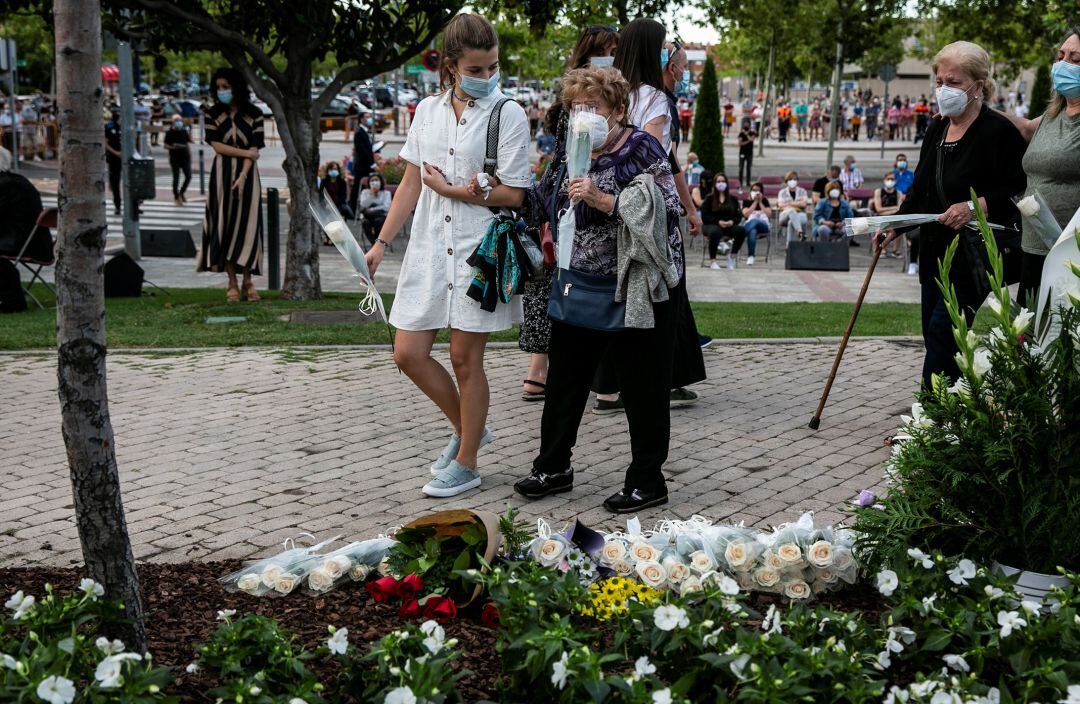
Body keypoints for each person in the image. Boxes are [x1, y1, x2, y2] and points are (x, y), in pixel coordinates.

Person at [363, 13, 531, 498]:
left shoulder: (508, 113)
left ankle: (469, 460)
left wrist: (455, 191)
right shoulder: (427, 111)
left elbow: (515, 194)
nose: (486, 78)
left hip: (480, 250)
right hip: (431, 248)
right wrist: (380, 244)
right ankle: (470, 427)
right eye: (476, 70)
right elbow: (411, 182)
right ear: (452, 66)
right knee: (408, 353)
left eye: (492, 67)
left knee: (463, 358)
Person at [512, 65, 682, 513]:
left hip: (633, 285)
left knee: (643, 388)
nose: (584, 116)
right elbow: (546, 198)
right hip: (580, 282)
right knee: (566, 380)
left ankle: (647, 480)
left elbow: (667, 210)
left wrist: (604, 200)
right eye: (576, 108)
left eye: (594, 108)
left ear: (619, 110)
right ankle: (553, 467)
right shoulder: (572, 151)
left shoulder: (642, 148)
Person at [875, 41, 1027, 388]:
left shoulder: (997, 132)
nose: (944, 89)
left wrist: (975, 206)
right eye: (940, 81)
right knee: (935, 332)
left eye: (954, 82)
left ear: (978, 86)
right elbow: (920, 191)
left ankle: (930, 418)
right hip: (933, 250)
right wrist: (894, 226)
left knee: (945, 330)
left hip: (973, 254)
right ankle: (959, 407)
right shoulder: (936, 128)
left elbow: (1019, 188)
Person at [521, 23, 619, 403]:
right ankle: (542, 366)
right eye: (606, 49)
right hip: (568, 192)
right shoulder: (575, 96)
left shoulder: (610, 91)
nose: (611, 56)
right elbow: (569, 147)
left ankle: (589, 374)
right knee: (556, 277)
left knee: (585, 278)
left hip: (581, 190)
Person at [1009, 26, 1080, 306]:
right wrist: (976, 109)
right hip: (1035, 246)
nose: (1063, 64)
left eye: (1076, 59)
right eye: (1061, 55)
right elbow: (1025, 128)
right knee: (1028, 339)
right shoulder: (1054, 113)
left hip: (1071, 255)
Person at [197, 67, 266, 303]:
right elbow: (217, 146)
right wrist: (245, 152)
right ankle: (232, 282)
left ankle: (248, 281)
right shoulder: (212, 113)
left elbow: (255, 150)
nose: (222, 91)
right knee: (224, 224)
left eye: (226, 86)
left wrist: (243, 175)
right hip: (221, 175)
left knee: (248, 226)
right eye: (218, 87)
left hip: (247, 176)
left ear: (236, 87)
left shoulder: (254, 113)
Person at [700, 170, 745, 269]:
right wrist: (718, 221)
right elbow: (705, 216)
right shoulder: (709, 199)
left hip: (728, 225)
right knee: (715, 232)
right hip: (711, 225)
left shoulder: (733, 199)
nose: (721, 184)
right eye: (718, 181)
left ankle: (732, 257)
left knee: (741, 231)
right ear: (715, 183)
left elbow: (738, 216)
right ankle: (713, 261)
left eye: (723, 181)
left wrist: (731, 222)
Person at [872, 174, 905, 257]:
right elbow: (879, 209)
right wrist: (893, 208)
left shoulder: (898, 193)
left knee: (900, 227)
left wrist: (890, 210)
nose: (890, 181)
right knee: (883, 228)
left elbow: (899, 209)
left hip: (894, 217)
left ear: (895, 181)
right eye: (888, 179)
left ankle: (895, 250)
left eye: (892, 179)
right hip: (881, 217)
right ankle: (882, 249)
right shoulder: (878, 191)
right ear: (884, 180)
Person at [347, 115, 375, 215]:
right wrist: (372, 164)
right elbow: (362, 151)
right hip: (361, 167)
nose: (369, 119)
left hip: (365, 166)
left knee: (364, 188)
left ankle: (362, 210)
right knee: (357, 189)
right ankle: (352, 211)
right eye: (366, 117)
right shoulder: (359, 132)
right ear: (361, 119)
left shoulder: (365, 132)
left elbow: (368, 149)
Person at [738, 182, 770, 265]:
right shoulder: (746, 201)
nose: (756, 192)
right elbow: (745, 214)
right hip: (752, 227)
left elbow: (769, 214)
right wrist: (755, 202)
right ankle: (751, 256)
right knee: (752, 231)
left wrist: (760, 202)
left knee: (755, 220)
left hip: (763, 226)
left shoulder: (765, 201)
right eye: (754, 190)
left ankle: (743, 232)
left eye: (758, 191)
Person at [163, 116, 192, 205]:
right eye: (176, 121)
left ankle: (182, 193)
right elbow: (165, 145)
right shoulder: (169, 132)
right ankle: (176, 197)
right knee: (176, 178)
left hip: (185, 157)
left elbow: (189, 142)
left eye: (180, 120)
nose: (178, 122)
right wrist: (173, 147)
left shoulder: (184, 131)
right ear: (173, 122)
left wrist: (189, 130)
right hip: (174, 158)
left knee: (188, 176)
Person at [777, 170, 810, 243]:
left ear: (797, 180)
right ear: (786, 181)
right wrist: (797, 203)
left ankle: (789, 247)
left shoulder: (802, 191)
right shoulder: (782, 192)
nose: (792, 181)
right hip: (785, 215)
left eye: (795, 179)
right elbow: (781, 205)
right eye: (790, 179)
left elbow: (804, 204)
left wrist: (789, 203)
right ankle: (800, 232)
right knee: (791, 211)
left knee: (791, 222)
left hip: (800, 214)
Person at [359, 173, 391, 246]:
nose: (374, 182)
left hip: (381, 216)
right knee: (365, 223)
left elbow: (386, 207)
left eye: (376, 180)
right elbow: (363, 204)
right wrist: (371, 194)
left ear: (380, 181)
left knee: (378, 221)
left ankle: (377, 241)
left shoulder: (386, 193)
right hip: (368, 216)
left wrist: (372, 209)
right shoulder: (365, 192)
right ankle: (374, 243)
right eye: (372, 180)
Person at [104, 110, 123, 215]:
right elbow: (105, 143)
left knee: (132, 182)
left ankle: (135, 205)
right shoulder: (110, 127)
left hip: (127, 158)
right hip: (114, 159)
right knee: (115, 183)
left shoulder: (127, 126)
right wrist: (115, 152)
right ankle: (117, 206)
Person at [737, 119, 755, 184]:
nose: (746, 125)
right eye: (745, 123)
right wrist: (747, 141)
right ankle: (740, 182)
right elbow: (740, 143)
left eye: (747, 123)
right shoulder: (741, 133)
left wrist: (746, 134)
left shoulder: (752, 132)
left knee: (748, 169)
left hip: (749, 153)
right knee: (741, 168)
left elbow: (751, 139)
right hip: (742, 153)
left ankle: (748, 182)